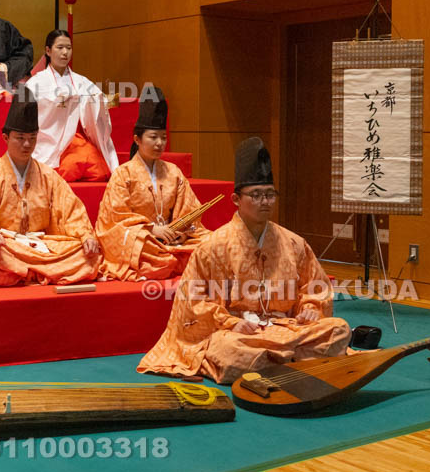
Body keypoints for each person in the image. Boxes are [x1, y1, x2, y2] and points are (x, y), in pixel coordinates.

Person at [137, 137, 351, 384]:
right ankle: (289, 360)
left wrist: (311, 308)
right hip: (238, 334)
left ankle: (272, 361)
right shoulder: (213, 247)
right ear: (236, 200)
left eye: (270, 195)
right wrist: (230, 322)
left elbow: (315, 287)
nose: (265, 202)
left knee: (339, 329)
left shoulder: (294, 243)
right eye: (257, 195)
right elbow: (192, 301)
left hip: (286, 328)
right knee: (231, 352)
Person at [0, 87, 102, 287]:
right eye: (20, 138)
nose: (26, 144)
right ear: (6, 138)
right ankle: (38, 273)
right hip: (8, 247)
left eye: (32, 138)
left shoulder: (48, 176)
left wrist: (85, 235)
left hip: (42, 246)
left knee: (87, 255)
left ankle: (25, 273)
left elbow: (70, 211)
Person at [96, 87, 209, 281]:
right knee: (140, 245)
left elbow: (189, 213)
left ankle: (170, 257)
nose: (159, 143)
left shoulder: (174, 172)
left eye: (163, 137)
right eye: (153, 137)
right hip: (143, 239)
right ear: (137, 139)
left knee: (211, 242)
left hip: (173, 238)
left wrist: (179, 233)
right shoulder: (123, 174)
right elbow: (115, 218)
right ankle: (169, 260)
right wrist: (151, 229)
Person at [25, 30, 117, 182]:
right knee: (59, 172)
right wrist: (57, 104)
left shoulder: (81, 81)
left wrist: (101, 101)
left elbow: (96, 102)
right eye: (60, 47)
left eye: (68, 48)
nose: (65, 52)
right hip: (47, 140)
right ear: (48, 51)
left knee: (98, 169)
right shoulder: (35, 83)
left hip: (76, 141)